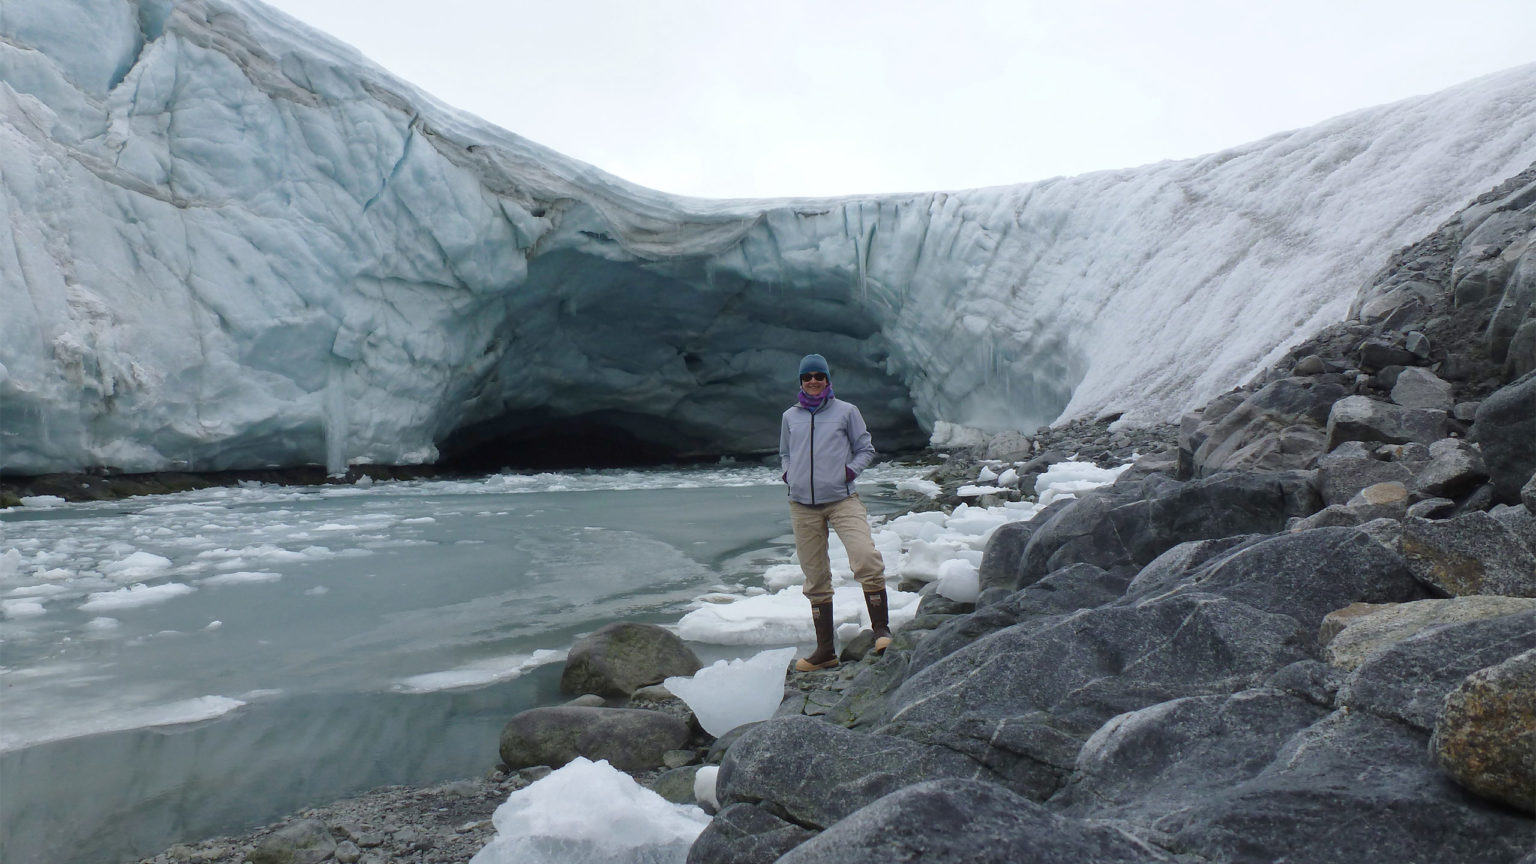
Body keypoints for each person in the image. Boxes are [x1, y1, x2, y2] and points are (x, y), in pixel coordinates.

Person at [779, 353, 891, 672]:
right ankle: (825, 651)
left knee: (865, 558)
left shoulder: (846, 412)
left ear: (828, 379)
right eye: (807, 376)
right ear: (800, 382)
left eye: (819, 375)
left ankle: (882, 631)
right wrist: (790, 475)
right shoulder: (790, 416)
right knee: (815, 577)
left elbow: (865, 448)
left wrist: (848, 472)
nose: (813, 381)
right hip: (802, 505)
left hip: (842, 499)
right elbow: (785, 453)